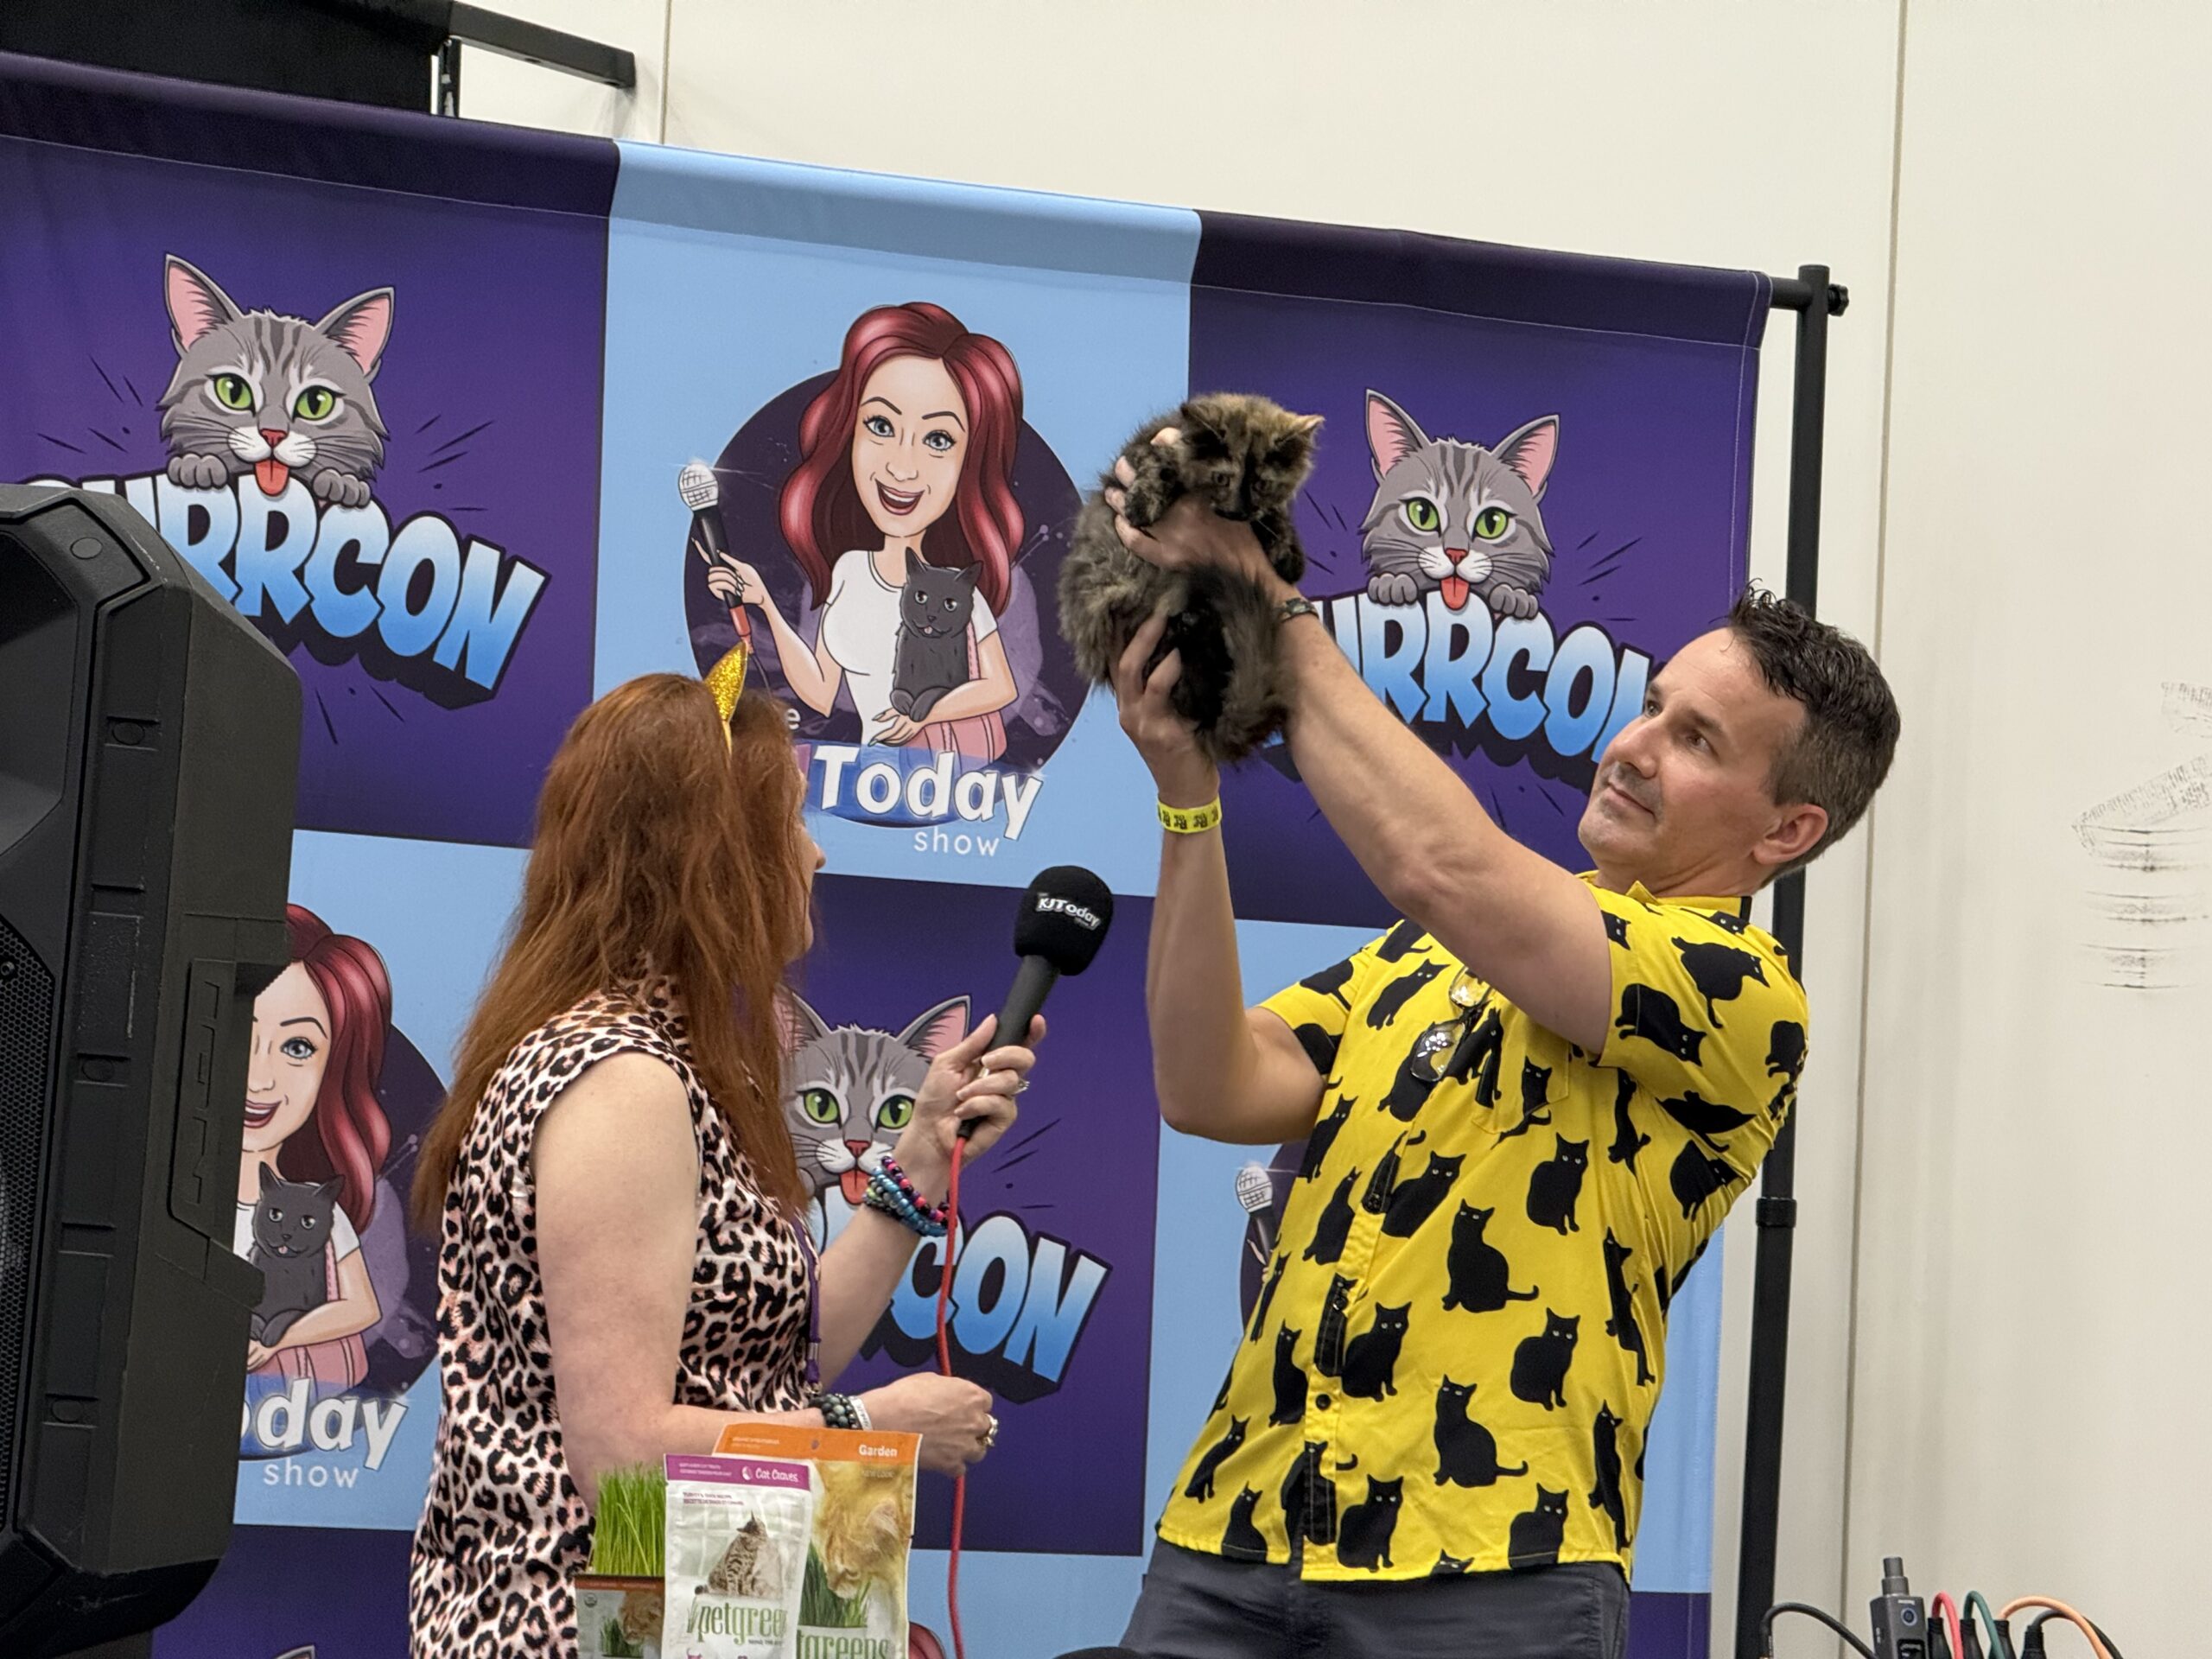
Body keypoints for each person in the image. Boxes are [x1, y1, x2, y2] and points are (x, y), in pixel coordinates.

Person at [1103, 438, 1899, 1659]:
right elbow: (1210, 1085)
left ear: (1787, 832)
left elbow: (1445, 869)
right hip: (1235, 1534)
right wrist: (1186, 798)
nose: (1633, 746)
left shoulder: (1743, 993)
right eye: (1651, 706)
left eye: (1697, 741)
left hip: (1488, 1571)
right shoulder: (1431, 955)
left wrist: (1268, 605)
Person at [406, 664, 1041, 1658]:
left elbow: (768, 1363)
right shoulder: (623, 1081)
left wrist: (919, 1158)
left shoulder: (663, 1059)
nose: (815, 851)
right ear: (714, 855)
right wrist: (868, 1431)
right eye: (790, 821)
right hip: (590, 1628)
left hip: (698, 1608)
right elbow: (624, 1459)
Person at [707, 301, 1026, 760]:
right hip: (865, 776)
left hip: (938, 777)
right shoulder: (850, 570)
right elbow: (820, 692)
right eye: (880, 425)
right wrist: (765, 605)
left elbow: (1001, 686)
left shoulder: (956, 589)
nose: (901, 467)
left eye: (938, 440)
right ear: (848, 433)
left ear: (969, 463)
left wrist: (924, 714)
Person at [238, 904, 391, 1389]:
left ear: (334, 1070)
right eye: (242, 1031)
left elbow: (362, 1307)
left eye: (297, 1047)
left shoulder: (317, 1208)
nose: (259, 1079)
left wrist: (280, 1339)